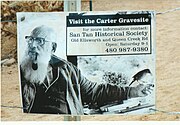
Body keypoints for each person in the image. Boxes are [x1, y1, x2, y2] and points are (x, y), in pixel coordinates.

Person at [20, 25, 153, 115]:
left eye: (40, 41)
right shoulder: (19, 72)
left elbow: (95, 91)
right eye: (30, 40)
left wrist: (132, 91)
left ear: (53, 48)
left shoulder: (68, 70)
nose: (32, 45)